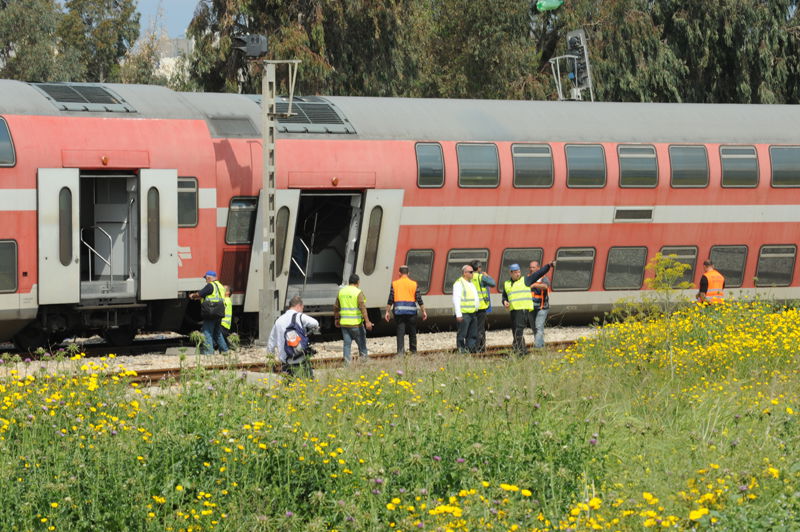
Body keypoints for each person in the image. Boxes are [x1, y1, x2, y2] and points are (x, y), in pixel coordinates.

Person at [502, 262, 553, 356]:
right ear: (511, 273)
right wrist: (504, 302)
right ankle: (520, 349)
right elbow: (504, 297)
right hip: (513, 311)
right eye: (515, 272)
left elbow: (539, 273)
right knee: (515, 331)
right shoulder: (507, 284)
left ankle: (520, 352)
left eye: (519, 272)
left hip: (523, 310)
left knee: (518, 330)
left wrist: (548, 266)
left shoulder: (526, 280)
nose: (518, 274)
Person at [267, 295, 320, 378]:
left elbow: (271, 342)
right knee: (307, 385)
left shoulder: (279, 320)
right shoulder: (299, 316)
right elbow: (315, 323)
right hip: (301, 360)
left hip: (286, 363)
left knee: (289, 388)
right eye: (302, 308)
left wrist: (271, 360)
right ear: (299, 306)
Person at [384, 265, 427, 356]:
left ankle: (400, 352)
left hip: (399, 312)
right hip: (411, 313)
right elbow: (419, 299)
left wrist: (387, 312)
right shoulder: (414, 284)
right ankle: (413, 351)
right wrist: (424, 311)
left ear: (399, 273)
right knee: (412, 332)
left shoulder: (395, 283)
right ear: (408, 273)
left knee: (400, 332)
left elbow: (390, 299)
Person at [334, 274, 373, 364]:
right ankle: (364, 364)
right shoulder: (358, 292)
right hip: (356, 324)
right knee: (362, 345)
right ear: (358, 282)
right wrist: (367, 322)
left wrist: (336, 319)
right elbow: (362, 308)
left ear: (349, 282)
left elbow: (336, 307)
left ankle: (347, 366)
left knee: (347, 346)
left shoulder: (341, 292)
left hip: (344, 324)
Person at [189, 270, 228, 355]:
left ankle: (209, 352)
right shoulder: (220, 286)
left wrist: (193, 296)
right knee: (217, 332)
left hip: (211, 312)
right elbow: (212, 296)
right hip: (219, 312)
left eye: (206, 279)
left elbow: (200, 294)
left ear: (209, 278)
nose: (206, 280)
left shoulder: (210, 285)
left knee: (207, 332)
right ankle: (225, 351)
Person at [452, 264, 480, 353]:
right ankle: (461, 351)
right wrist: (458, 314)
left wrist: (476, 308)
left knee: (472, 334)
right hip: (464, 314)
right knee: (462, 334)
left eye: (473, 272)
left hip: (472, 313)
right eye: (471, 272)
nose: (473, 274)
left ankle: (470, 351)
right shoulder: (459, 283)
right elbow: (456, 299)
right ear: (464, 273)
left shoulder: (471, 284)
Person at [470, 260, 496, 352]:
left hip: (471, 307)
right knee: (480, 329)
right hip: (481, 307)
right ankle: (479, 348)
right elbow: (493, 283)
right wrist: (487, 276)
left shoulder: (468, 277)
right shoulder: (481, 277)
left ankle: (477, 347)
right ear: (479, 268)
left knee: (473, 328)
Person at [527, 260, 552, 349]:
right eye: (530, 267)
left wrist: (534, 285)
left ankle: (537, 347)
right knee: (534, 328)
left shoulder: (543, 278)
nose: (531, 269)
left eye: (533, 267)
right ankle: (541, 346)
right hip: (531, 307)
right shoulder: (527, 278)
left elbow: (545, 286)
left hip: (542, 307)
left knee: (539, 327)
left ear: (538, 268)